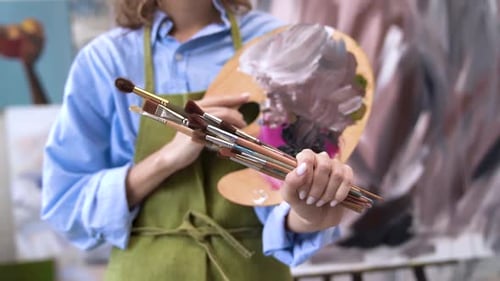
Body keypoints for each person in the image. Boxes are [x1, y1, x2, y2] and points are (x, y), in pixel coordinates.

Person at [41, 0, 354, 280]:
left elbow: (290, 209)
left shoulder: (279, 44)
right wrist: (168, 158)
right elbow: (65, 207)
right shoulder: (104, 60)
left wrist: (309, 206)